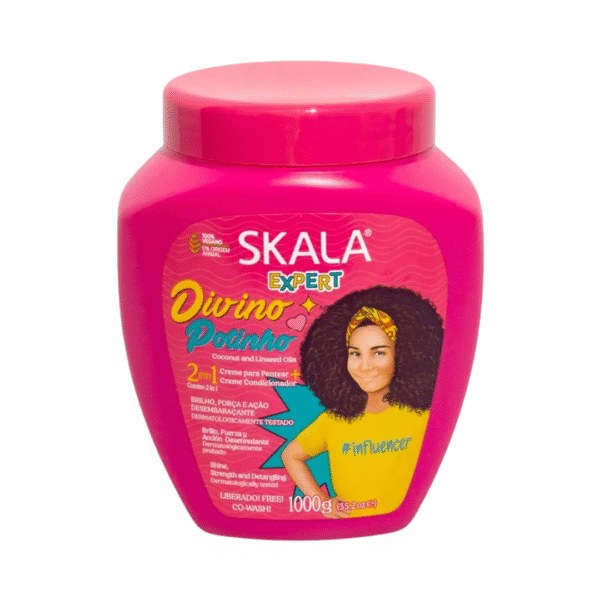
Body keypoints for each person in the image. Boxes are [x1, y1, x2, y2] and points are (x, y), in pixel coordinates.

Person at [282, 285, 444, 518]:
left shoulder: (424, 415)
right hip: (347, 529)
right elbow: (291, 456)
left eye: (379, 352)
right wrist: (322, 503)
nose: (365, 366)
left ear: (403, 354)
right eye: (355, 353)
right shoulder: (334, 420)